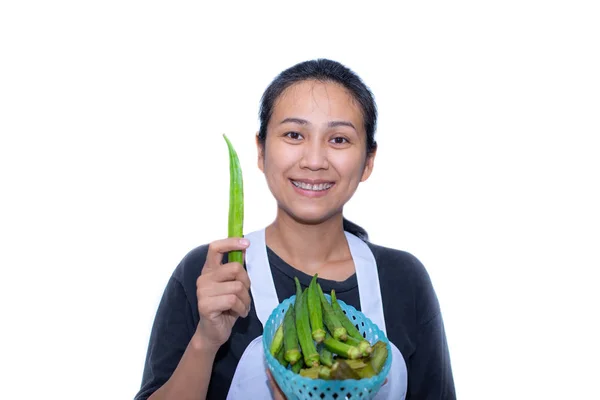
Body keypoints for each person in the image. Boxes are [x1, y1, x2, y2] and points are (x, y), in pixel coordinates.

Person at [134, 58, 456, 400]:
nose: (314, 160)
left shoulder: (404, 279)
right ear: (261, 150)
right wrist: (206, 339)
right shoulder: (215, 272)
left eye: (339, 139)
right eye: (293, 134)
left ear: (368, 161)